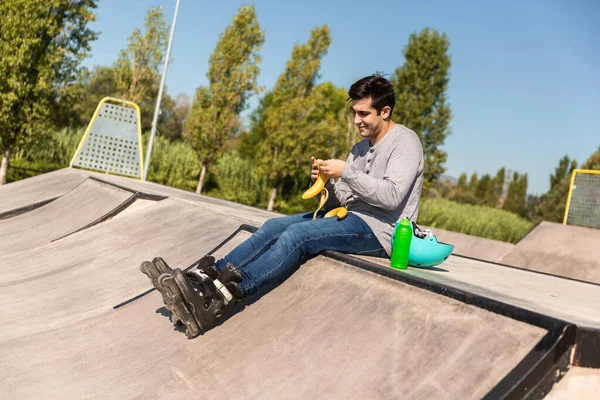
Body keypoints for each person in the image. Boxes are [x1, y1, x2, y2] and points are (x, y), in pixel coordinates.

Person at [140, 74, 424, 338]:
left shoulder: (405, 142)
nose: (356, 121)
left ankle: (222, 296)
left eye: (363, 114)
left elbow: (392, 197)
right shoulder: (359, 149)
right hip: (352, 217)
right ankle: (204, 281)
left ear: (385, 111)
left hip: (383, 230)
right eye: (354, 113)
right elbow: (347, 201)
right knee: (275, 225)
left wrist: (347, 172)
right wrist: (327, 185)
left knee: (297, 236)